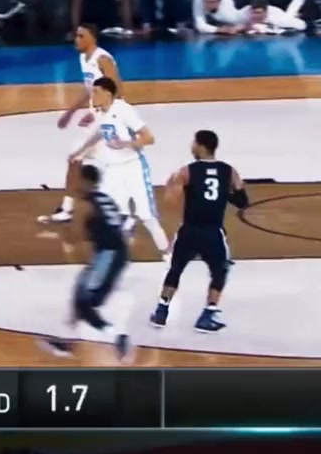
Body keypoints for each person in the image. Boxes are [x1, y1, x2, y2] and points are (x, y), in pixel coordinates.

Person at [38, 164, 135, 364]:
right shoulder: (105, 199)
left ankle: (117, 337)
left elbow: (75, 238)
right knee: (79, 293)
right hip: (111, 253)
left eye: (79, 179)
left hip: (108, 256)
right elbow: (121, 224)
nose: (76, 183)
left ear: (87, 181)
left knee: (85, 303)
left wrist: (53, 232)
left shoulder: (85, 205)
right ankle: (67, 342)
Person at [150, 130, 244, 334]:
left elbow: (171, 200)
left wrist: (172, 186)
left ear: (201, 145)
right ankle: (207, 315)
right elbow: (242, 201)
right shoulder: (229, 171)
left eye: (194, 143)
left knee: (175, 270)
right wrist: (223, 195)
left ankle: (161, 311)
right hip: (213, 232)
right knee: (220, 271)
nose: (192, 146)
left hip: (190, 230)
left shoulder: (186, 171)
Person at [71, 76, 170, 258]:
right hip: (113, 170)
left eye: (96, 92)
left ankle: (167, 255)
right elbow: (99, 133)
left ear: (108, 93)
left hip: (134, 167)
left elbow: (149, 138)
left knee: (147, 217)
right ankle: (114, 250)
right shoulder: (100, 113)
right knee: (110, 212)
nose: (92, 96)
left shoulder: (123, 110)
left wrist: (126, 144)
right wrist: (81, 152)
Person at [40, 23, 119, 224]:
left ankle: (68, 209)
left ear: (92, 38)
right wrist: (71, 112)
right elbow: (90, 90)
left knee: (77, 158)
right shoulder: (84, 59)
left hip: (109, 118)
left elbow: (117, 90)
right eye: (76, 35)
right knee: (102, 164)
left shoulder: (103, 59)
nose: (76, 39)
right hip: (100, 115)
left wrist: (98, 111)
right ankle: (116, 211)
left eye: (81, 36)